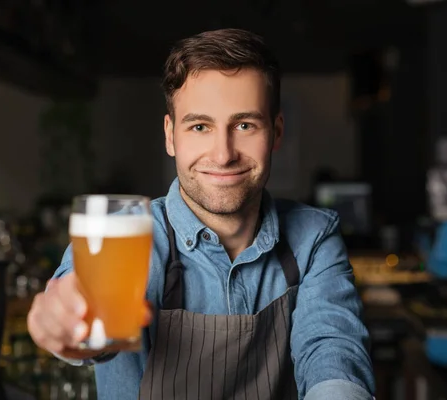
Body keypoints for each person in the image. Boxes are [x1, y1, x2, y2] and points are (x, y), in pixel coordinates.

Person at [27, 28, 375, 400]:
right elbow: (88, 316)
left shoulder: (313, 238)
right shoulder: (128, 235)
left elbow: (331, 351)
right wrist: (68, 327)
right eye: (199, 126)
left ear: (275, 132)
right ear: (171, 136)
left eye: (244, 125)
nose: (223, 154)